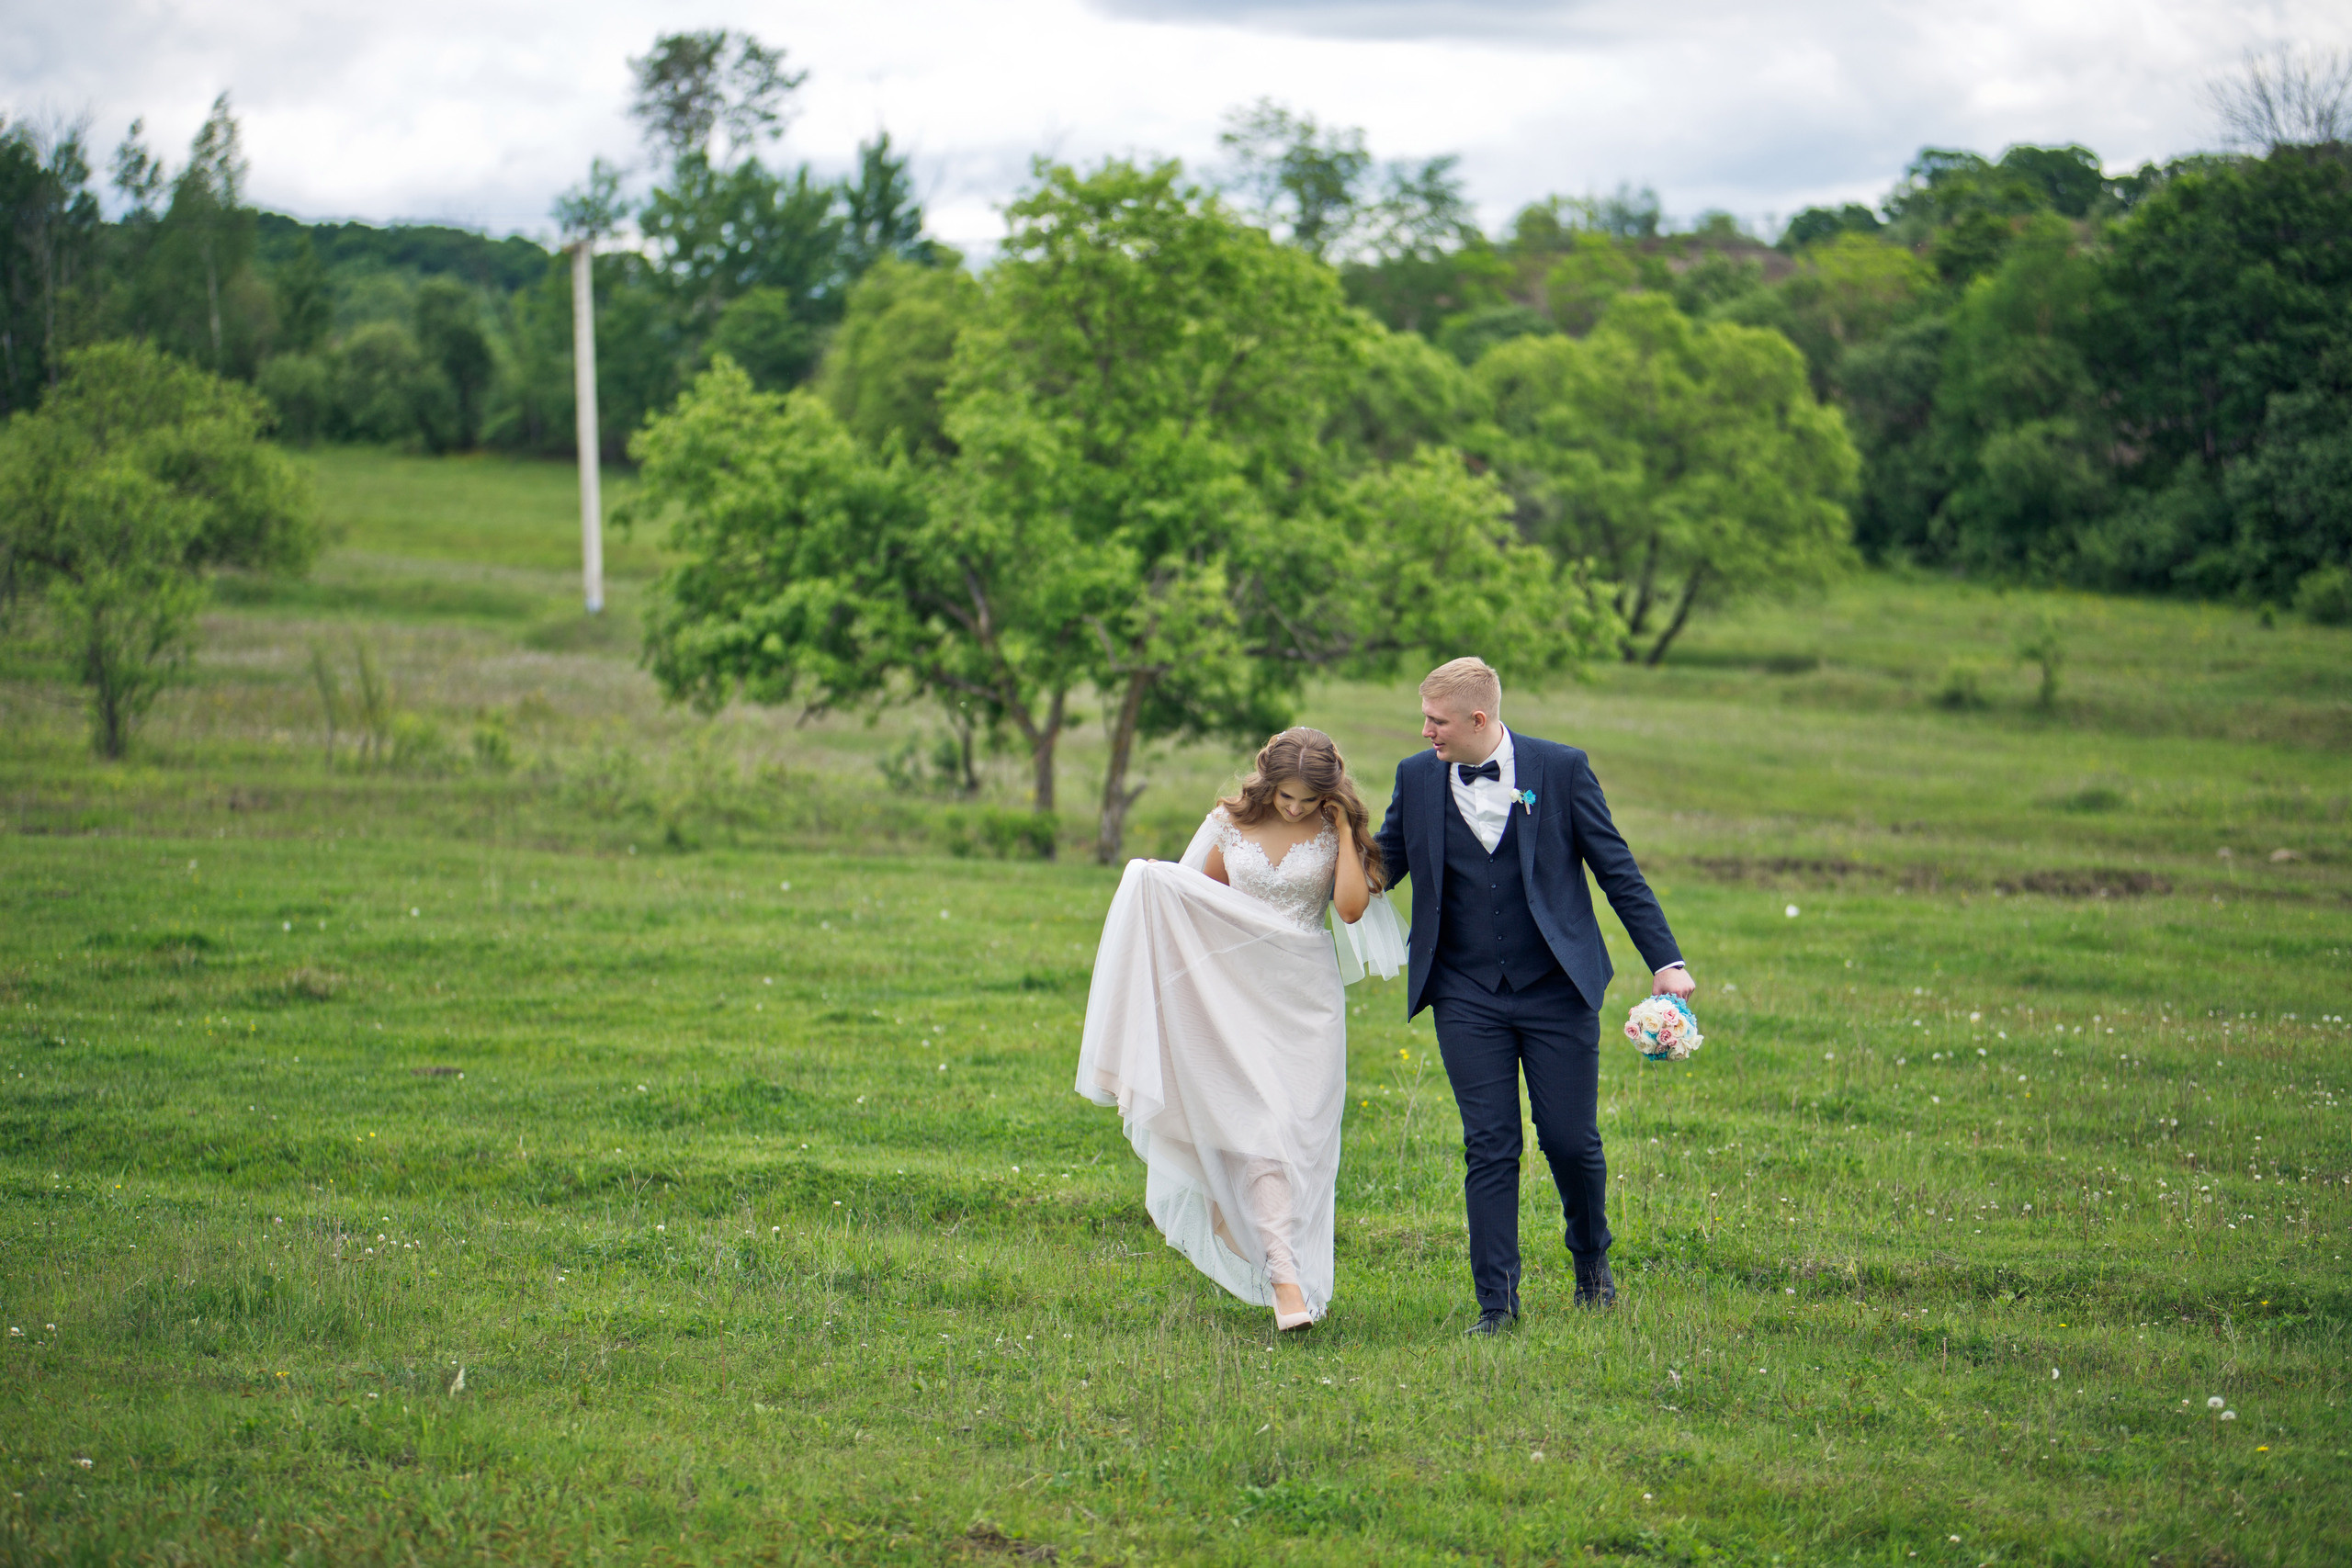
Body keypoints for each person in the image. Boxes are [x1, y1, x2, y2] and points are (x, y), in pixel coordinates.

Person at [1371, 657, 1694, 1337]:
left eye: (1437, 720)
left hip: (1556, 988)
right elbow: (1382, 867)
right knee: (1490, 1143)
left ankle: (1590, 1264)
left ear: (1478, 719)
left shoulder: (1561, 768)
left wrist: (1666, 960)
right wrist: (1296, 853)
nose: (1425, 730)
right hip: (1464, 989)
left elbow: (1617, 870)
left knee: (1571, 1141)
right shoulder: (1416, 777)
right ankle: (1497, 1304)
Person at [1074, 728, 1406, 1331]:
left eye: (1311, 799)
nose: (1296, 808)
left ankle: (1273, 1253)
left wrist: (1340, 828)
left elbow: (1352, 909)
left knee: (1293, 1135)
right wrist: (1152, 881)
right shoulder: (1228, 822)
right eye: (1287, 797)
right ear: (1266, 779)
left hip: (1305, 1002)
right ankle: (1287, 1286)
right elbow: (1198, 903)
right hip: (1237, 995)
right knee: (1257, 1135)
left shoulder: (1336, 829)